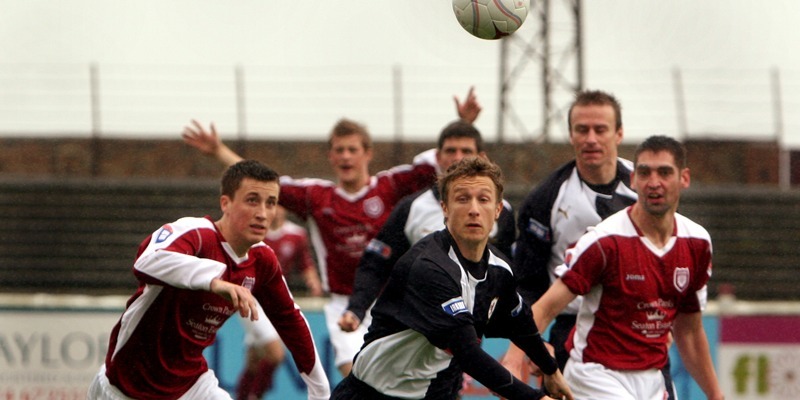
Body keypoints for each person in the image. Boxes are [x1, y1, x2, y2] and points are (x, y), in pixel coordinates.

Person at [182, 88, 479, 378]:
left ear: (368, 154)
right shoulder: (317, 196)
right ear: (331, 157)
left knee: (410, 380)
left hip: (394, 300)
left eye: (353, 149)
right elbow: (262, 182)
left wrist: (464, 124)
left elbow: (449, 160)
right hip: (342, 303)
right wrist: (219, 151)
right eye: (339, 150)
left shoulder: (390, 186)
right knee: (355, 375)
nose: (346, 156)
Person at [331, 157, 573, 400]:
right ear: (444, 208)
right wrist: (535, 398)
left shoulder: (499, 269)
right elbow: (467, 353)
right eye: (462, 198)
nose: (474, 209)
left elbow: (519, 321)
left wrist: (551, 369)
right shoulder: (428, 267)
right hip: (371, 395)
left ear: (498, 210)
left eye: (484, 199)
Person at [87, 160, 329, 400]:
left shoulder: (263, 259)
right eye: (252, 200)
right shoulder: (195, 233)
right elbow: (146, 261)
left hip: (192, 386)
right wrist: (214, 280)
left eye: (271, 203)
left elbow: (291, 320)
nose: (262, 214)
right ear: (226, 203)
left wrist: (320, 390)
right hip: (125, 389)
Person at [532, 136, 725, 400]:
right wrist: (531, 356)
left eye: (665, 172)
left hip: (652, 377)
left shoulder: (697, 242)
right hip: (596, 375)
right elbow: (544, 308)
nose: (654, 182)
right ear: (633, 180)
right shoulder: (604, 241)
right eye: (645, 172)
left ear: (684, 178)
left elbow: (689, 330)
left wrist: (716, 395)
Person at [338, 119, 516, 333]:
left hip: (467, 327)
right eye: (451, 150)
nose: (457, 158)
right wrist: (356, 309)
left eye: (466, 151)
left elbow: (511, 270)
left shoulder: (501, 212)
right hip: (414, 326)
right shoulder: (412, 207)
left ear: (481, 157)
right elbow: (376, 263)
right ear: (438, 157)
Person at [236, 205, 323, 400]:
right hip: (251, 299)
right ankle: (255, 396)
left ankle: (242, 397)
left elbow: (305, 263)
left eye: (277, 204)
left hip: (274, 301)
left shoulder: (296, 235)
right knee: (275, 354)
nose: (273, 210)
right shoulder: (254, 234)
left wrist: (313, 281)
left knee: (254, 360)